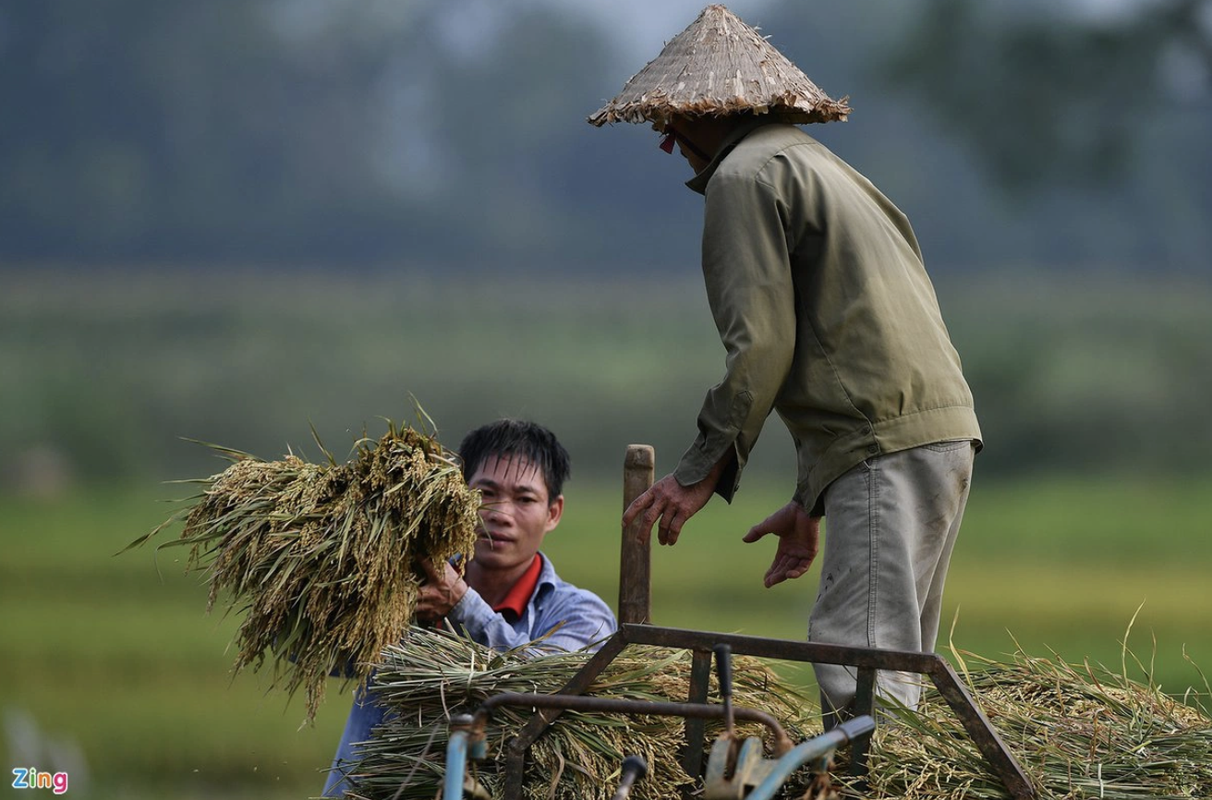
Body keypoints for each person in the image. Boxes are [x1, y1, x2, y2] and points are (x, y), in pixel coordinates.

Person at [591, 5, 982, 723]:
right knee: (897, 664)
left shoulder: (743, 177)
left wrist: (697, 472)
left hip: (884, 445)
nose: (667, 145)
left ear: (703, 113)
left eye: (668, 125)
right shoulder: (820, 166)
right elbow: (845, 345)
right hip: (938, 435)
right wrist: (810, 501)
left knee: (860, 670)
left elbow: (763, 347)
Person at [323, 419, 617, 797]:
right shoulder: (403, 586)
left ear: (553, 512)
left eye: (525, 499)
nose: (500, 513)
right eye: (486, 492)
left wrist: (461, 604)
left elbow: (543, 685)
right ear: (458, 495)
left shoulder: (581, 615)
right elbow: (315, 653)